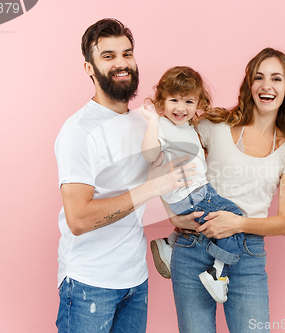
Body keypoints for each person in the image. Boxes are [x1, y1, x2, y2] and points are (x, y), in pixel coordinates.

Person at [54, 18, 196, 333]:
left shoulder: (145, 123)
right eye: (108, 56)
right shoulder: (79, 132)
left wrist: (178, 219)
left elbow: (158, 181)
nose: (122, 63)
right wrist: (153, 187)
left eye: (127, 54)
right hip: (88, 282)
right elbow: (79, 219)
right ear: (89, 68)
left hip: (135, 280)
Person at [166, 48, 285, 332]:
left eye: (276, 79)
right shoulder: (215, 126)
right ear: (249, 85)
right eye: (259, 77)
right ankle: (168, 247)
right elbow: (169, 161)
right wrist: (173, 217)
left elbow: (284, 222)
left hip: (247, 255)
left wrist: (237, 223)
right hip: (194, 247)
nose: (266, 85)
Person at [139, 66, 246, 304]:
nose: (181, 107)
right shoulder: (163, 125)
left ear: (198, 103)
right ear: (162, 102)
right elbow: (148, 155)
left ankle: (171, 243)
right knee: (234, 218)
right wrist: (153, 121)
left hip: (192, 195)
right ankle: (217, 273)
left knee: (206, 226)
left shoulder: (188, 127)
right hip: (193, 195)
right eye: (174, 100)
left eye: (188, 101)